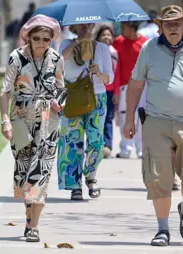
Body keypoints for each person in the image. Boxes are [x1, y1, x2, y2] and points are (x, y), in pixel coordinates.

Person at [124, 5, 183, 246]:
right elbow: (136, 84)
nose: (174, 27)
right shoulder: (149, 49)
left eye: (178, 23)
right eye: (168, 24)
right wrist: (129, 119)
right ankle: (162, 229)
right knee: (158, 177)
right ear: (161, 27)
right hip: (156, 121)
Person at [0, 14, 64, 242]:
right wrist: (4, 119)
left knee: (42, 172)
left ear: (51, 39)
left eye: (46, 39)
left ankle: (33, 226)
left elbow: (60, 87)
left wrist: (59, 101)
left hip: (48, 120)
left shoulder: (56, 58)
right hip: (21, 117)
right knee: (23, 172)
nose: (41, 43)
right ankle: (29, 218)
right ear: (28, 38)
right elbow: (5, 91)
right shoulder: (16, 57)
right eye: (36, 38)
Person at [57, 23, 114, 200]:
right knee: (72, 140)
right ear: (75, 27)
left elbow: (110, 78)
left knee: (96, 140)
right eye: (81, 26)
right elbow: (59, 62)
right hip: (72, 97)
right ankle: (74, 185)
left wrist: (99, 73)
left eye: (89, 26)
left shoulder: (102, 48)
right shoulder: (66, 44)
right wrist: (77, 43)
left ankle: (91, 177)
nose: (86, 29)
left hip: (96, 97)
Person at [113, 21, 148, 159]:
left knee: (141, 117)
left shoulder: (145, 43)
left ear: (132, 28)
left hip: (142, 86)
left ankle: (141, 149)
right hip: (123, 86)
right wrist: (116, 90)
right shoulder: (118, 42)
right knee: (124, 117)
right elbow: (115, 67)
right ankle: (125, 148)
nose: (121, 30)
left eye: (124, 28)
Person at [95, 25, 118, 158]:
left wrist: (116, 92)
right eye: (103, 35)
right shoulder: (94, 51)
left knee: (108, 119)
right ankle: (98, 144)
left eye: (109, 34)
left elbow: (117, 74)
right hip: (97, 91)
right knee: (97, 119)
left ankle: (108, 146)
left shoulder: (114, 53)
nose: (106, 37)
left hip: (110, 91)